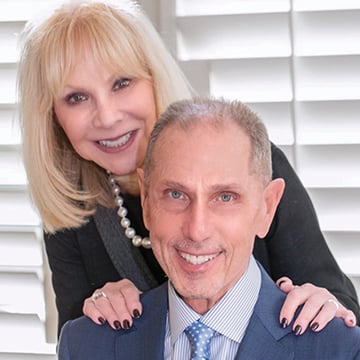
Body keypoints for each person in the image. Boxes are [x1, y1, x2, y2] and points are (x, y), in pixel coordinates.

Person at [17, 0, 358, 337]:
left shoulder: (243, 161)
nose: (107, 117)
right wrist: (96, 314)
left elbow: (341, 310)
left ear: (154, 77)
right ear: (52, 117)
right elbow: (77, 343)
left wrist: (325, 307)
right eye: (77, 98)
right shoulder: (71, 211)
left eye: (122, 83)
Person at [58, 98, 360, 360]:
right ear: (147, 202)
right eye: (176, 194)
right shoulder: (84, 345)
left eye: (225, 197)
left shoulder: (340, 350)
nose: (197, 230)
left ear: (267, 207)